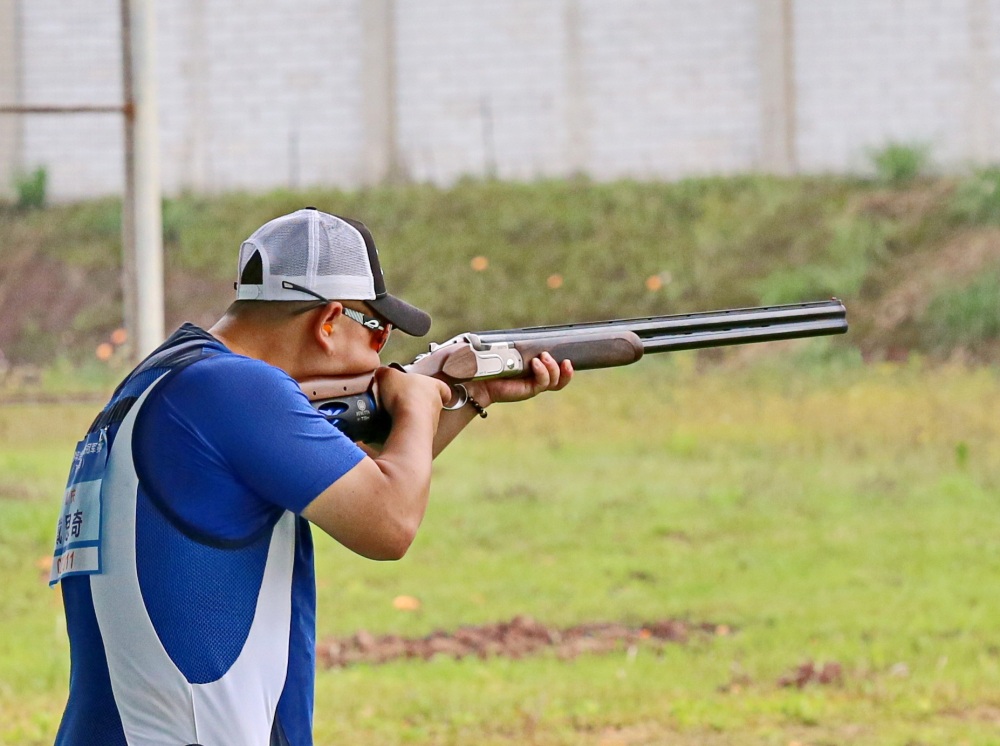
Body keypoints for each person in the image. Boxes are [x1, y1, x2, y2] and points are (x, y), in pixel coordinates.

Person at [49, 208, 573, 746]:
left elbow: (361, 479)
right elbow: (387, 521)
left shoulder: (167, 381)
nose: (384, 352)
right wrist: (416, 401)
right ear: (328, 321)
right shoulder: (235, 390)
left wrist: (469, 395)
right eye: (379, 333)